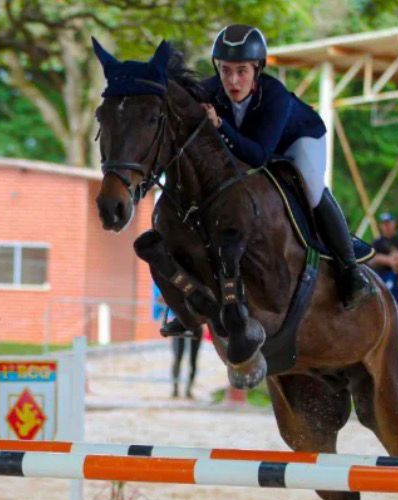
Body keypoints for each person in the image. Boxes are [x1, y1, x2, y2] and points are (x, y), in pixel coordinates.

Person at [158, 25, 372, 338]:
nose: (233, 81)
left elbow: (259, 156)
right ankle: (189, 304)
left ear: (257, 69)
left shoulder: (275, 96)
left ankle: (350, 271)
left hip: (297, 141)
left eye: (242, 71)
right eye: (226, 71)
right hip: (249, 145)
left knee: (312, 188)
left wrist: (219, 127)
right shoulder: (208, 91)